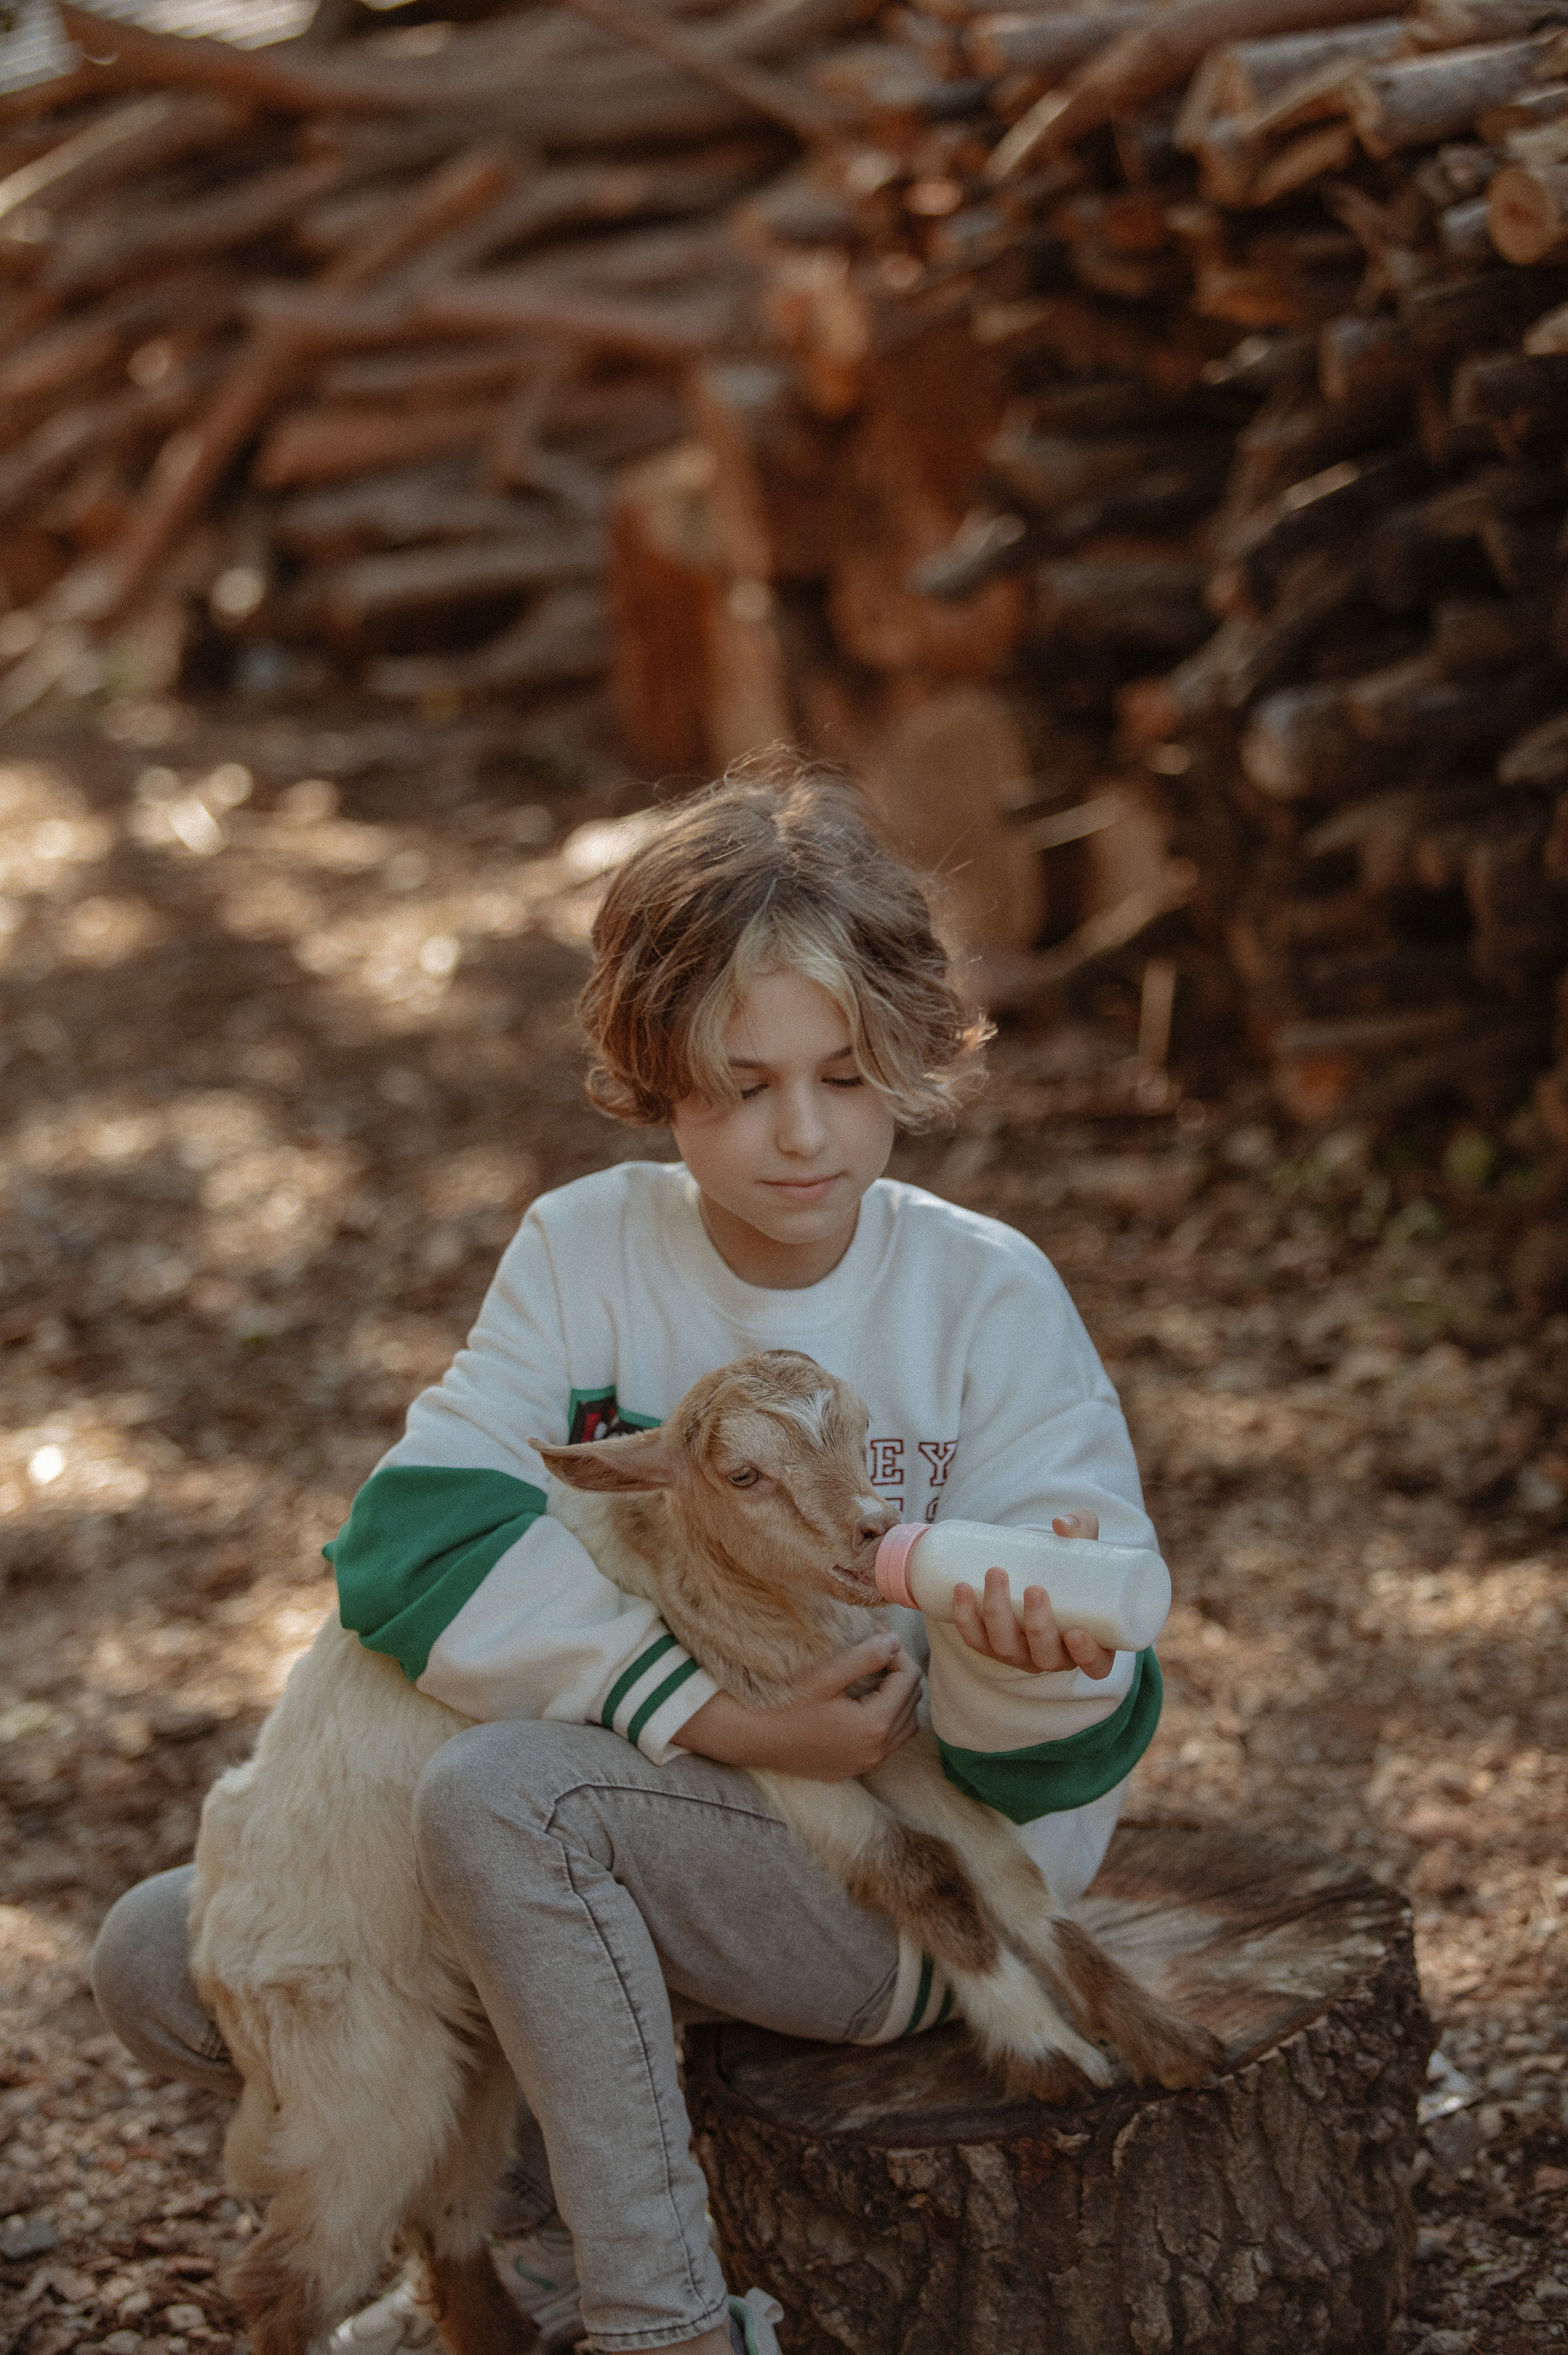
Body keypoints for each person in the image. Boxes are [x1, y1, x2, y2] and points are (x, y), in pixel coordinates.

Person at [90, 757, 1166, 2355]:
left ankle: (662, 2324)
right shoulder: (587, 1254)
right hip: (633, 1840)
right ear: (659, 1079)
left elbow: (1082, 1659)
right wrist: (721, 1722)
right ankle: (484, 2252)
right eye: (743, 1087)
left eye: (847, 1078)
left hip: (911, 1896)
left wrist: (1034, 1660)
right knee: (166, 1956)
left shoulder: (983, 1297)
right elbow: (413, 1538)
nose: (803, 1135)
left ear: (907, 1064)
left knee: (498, 1795)